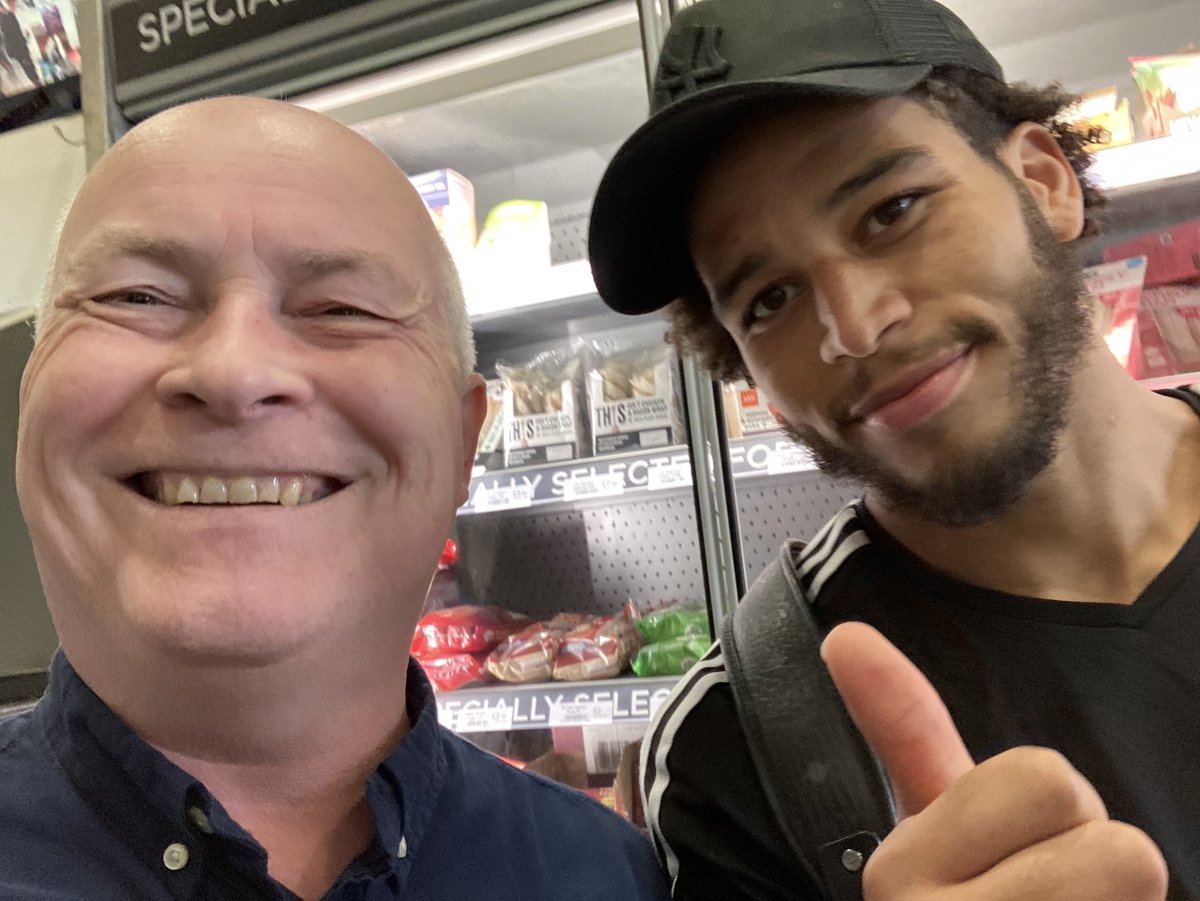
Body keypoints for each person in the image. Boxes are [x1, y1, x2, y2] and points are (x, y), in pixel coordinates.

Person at [587, 0, 1197, 898]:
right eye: (770, 298)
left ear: (1044, 181)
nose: (857, 325)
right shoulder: (738, 749)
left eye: (892, 210)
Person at [0, 96, 670, 901]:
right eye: (136, 296)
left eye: (341, 310)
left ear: (463, 444)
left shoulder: (606, 876)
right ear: (30, 391)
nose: (234, 372)